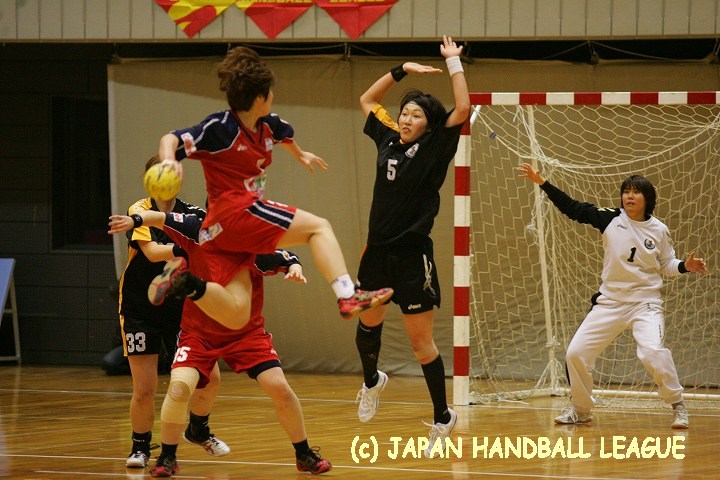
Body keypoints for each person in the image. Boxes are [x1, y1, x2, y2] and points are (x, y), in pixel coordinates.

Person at [151, 45, 392, 331]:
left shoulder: (270, 124)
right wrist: (169, 161)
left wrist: (301, 155)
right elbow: (171, 139)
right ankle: (348, 295)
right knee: (319, 228)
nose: (273, 96)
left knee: (238, 315)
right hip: (237, 213)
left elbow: (284, 137)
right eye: (270, 92)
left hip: (219, 234)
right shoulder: (220, 128)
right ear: (260, 98)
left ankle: (186, 283)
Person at [108, 209, 332, 477]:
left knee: (280, 388)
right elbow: (159, 217)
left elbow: (288, 257)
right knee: (179, 388)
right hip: (198, 334)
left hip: (246, 335)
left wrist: (295, 268)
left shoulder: (252, 247)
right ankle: (167, 457)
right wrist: (134, 220)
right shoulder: (196, 230)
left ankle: (304, 454)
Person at [517, 162, 708, 429]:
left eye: (636, 192)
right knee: (576, 353)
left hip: (645, 304)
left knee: (652, 352)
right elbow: (572, 208)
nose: (629, 196)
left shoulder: (659, 229)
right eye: (626, 191)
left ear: (647, 198)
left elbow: (666, 264)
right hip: (610, 303)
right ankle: (581, 410)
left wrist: (685, 266)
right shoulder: (610, 218)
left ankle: (678, 406)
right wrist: (543, 183)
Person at [352, 35, 470, 459]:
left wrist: (453, 63)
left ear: (428, 123)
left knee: (421, 343)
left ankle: (443, 416)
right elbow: (367, 99)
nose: (406, 118)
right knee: (367, 327)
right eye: (404, 112)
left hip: (412, 257)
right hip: (376, 253)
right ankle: (372, 382)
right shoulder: (387, 138)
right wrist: (401, 69)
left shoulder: (436, 145)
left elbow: (463, 109)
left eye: (416, 114)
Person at [119, 158, 229, 470]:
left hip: (182, 309)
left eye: (175, 173)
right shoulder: (139, 210)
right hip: (140, 307)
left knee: (210, 378)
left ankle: (199, 429)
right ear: (150, 179)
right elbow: (153, 253)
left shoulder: (192, 214)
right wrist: (187, 248)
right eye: (163, 174)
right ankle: (140, 447)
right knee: (145, 388)